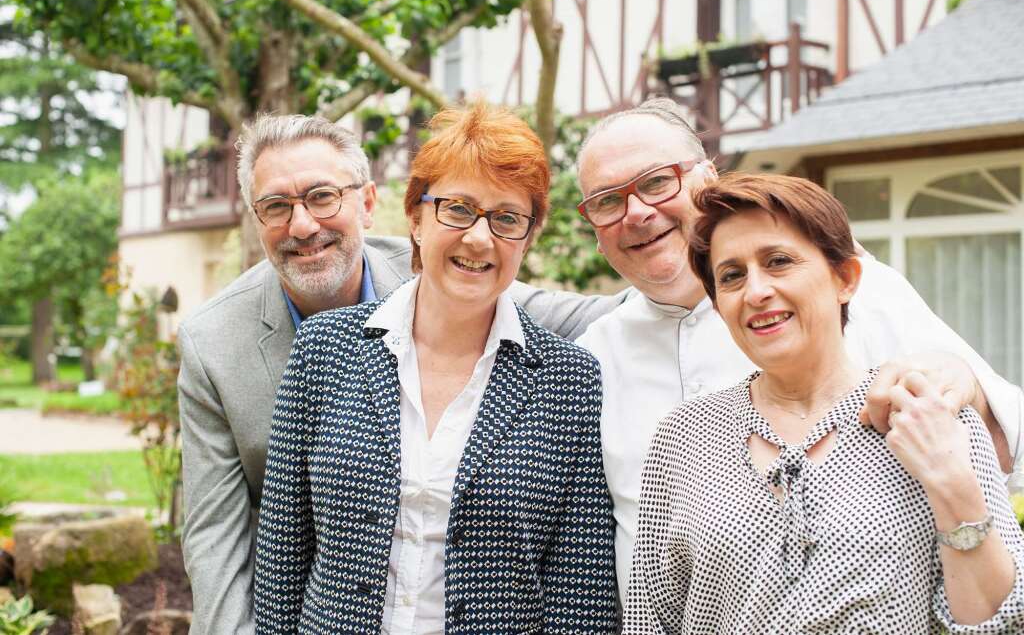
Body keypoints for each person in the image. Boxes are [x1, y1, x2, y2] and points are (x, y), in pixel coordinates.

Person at [178, 114, 626, 634]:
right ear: (416, 218)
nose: (478, 237)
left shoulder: (569, 380)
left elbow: (580, 596)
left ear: (527, 238)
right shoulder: (320, 348)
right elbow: (281, 559)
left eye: (507, 218)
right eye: (457, 209)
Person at [573, 98, 1024, 606]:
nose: (637, 212)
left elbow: (1008, 442)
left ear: (708, 180)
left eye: (658, 181)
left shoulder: (855, 292)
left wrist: (961, 382)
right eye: (607, 201)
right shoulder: (589, 359)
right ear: (594, 232)